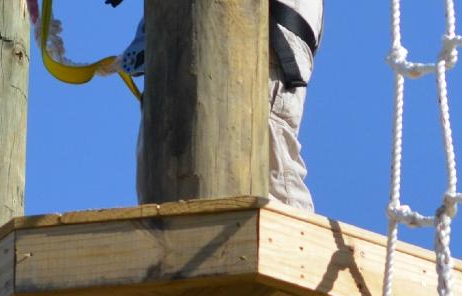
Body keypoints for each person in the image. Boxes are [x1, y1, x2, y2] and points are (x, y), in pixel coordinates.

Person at [114, 0, 324, 213]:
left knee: (268, 181)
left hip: (259, 34)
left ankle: (296, 242)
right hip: (194, 39)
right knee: (165, 179)